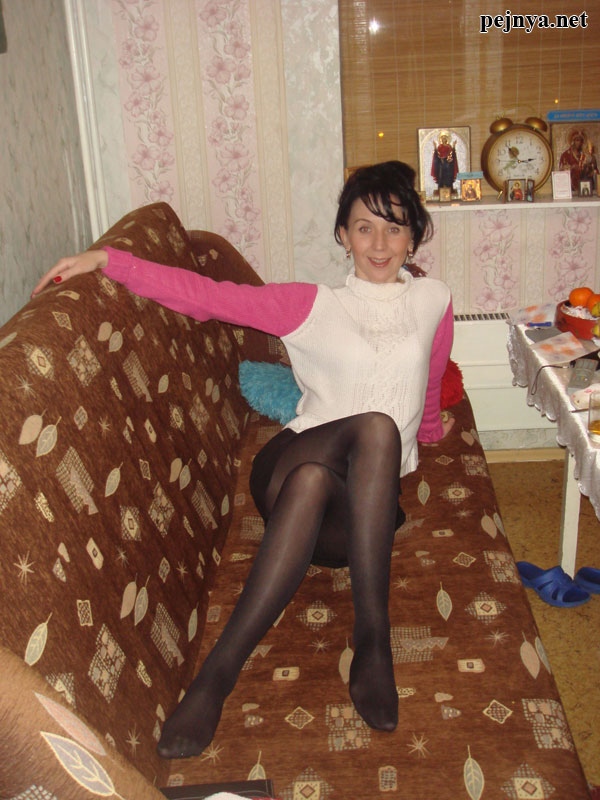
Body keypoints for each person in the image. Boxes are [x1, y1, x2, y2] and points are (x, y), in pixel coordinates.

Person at [32, 160, 454, 760]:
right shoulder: (311, 305)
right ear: (343, 235)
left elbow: (430, 377)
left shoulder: (434, 299)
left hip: (352, 506)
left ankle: (251, 663)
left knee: (329, 473)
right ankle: (336, 646)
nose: (379, 244)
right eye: (364, 228)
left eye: (394, 227)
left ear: (414, 236)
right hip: (288, 461)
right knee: (370, 432)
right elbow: (208, 297)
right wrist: (110, 262)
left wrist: (430, 433)